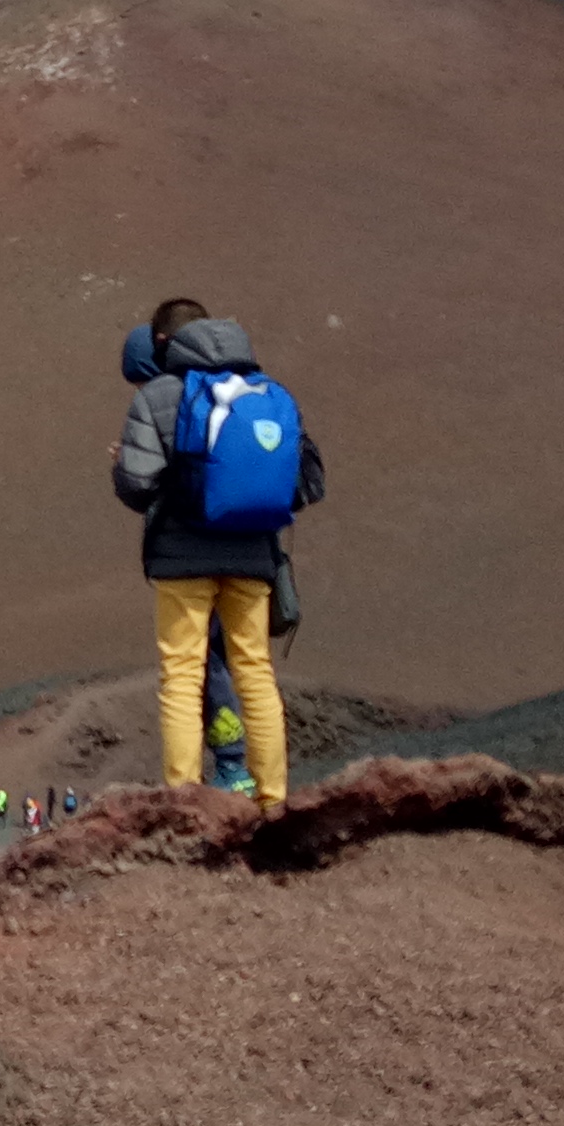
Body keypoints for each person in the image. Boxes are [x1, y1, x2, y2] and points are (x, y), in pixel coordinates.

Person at [111, 296, 325, 801]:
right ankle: (271, 799)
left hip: (183, 560)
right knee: (255, 670)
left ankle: (185, 800)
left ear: (164, 342)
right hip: (253, 556)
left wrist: (131, 468)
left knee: (183, 675)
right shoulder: (267, 391)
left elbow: (135, 486)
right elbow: (306, 480)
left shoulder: (160, 395)